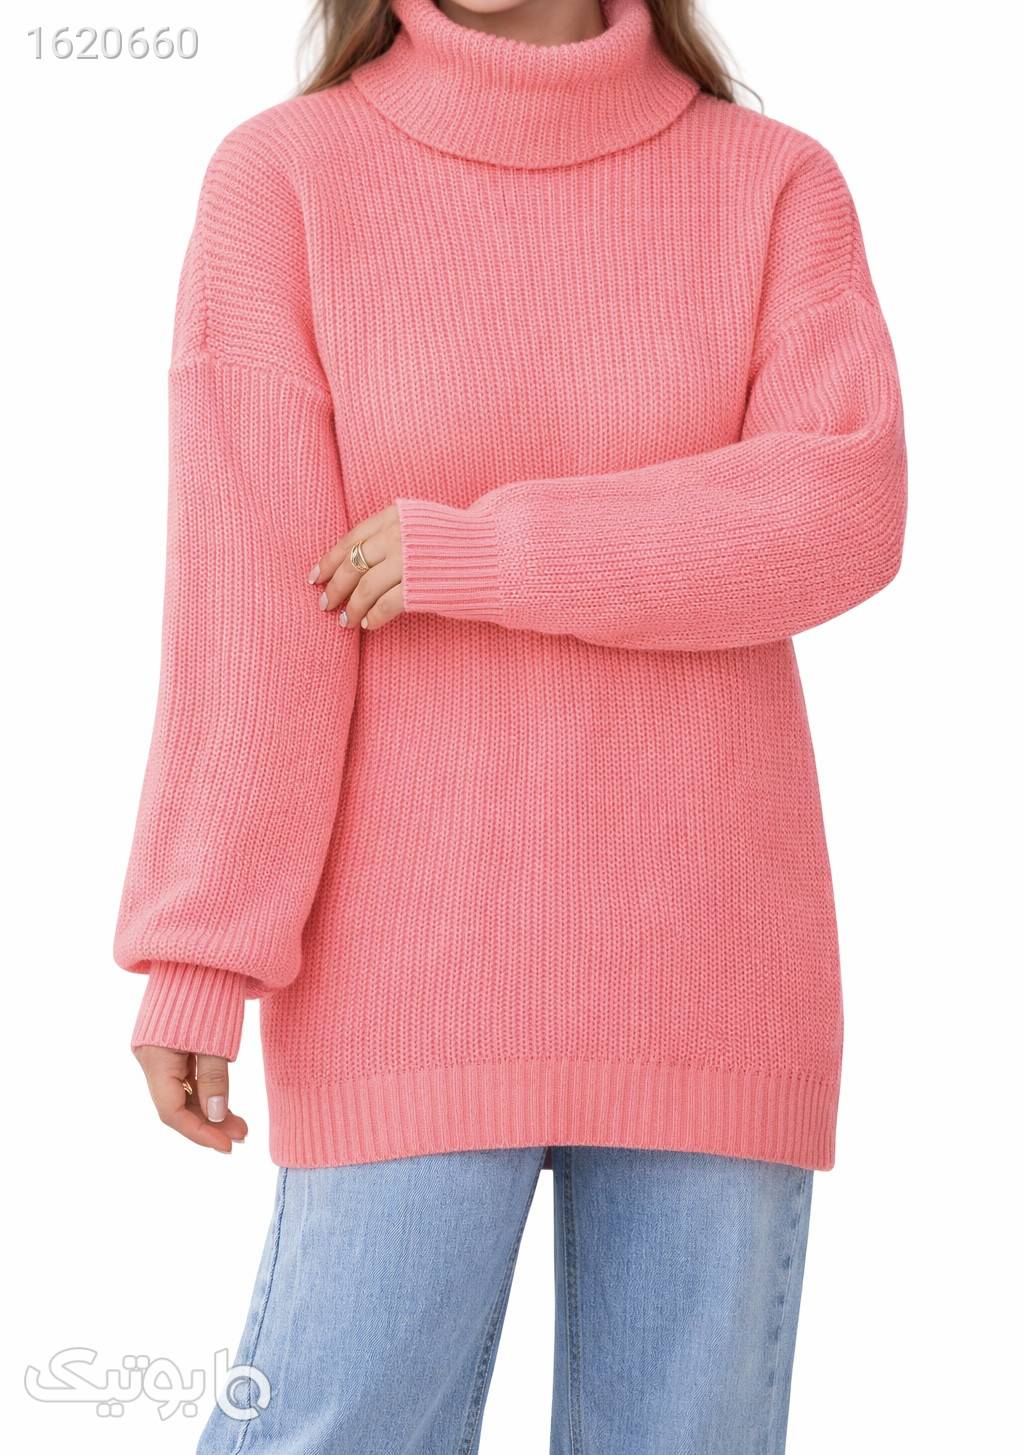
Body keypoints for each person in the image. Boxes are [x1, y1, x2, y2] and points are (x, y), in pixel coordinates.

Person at [112, 0, 907, 1448]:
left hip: (709, 970)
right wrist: (200, 955)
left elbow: (839, 512)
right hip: (403, 969)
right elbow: (251, 610)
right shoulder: (287, 177)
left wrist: (491, 552)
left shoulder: (774, 183)